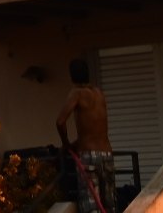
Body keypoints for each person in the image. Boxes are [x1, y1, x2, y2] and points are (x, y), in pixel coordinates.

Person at [54, 57, 114, 212]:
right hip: (107, 153)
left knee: (91, 204)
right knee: (109, 203)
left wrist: (66, 144)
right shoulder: (99, 94)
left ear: (71, 76)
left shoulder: (77, 94)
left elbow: (60, 121)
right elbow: (94, 125)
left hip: (89, 155)